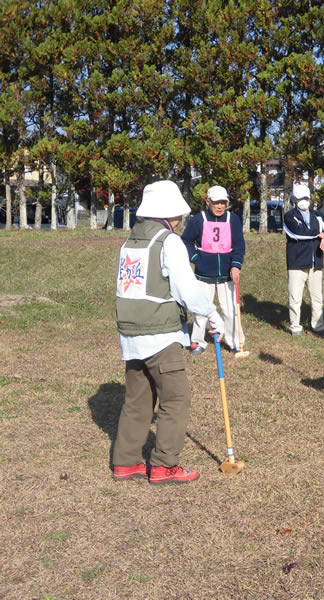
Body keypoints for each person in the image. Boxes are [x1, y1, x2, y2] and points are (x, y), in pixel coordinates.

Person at [113, 180, 224, 485]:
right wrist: (213, 314)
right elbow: (186, 290)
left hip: (131, 335)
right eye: (177, 215)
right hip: (161, 334)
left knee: (138, 399)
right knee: (176, 399)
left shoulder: (129, 243)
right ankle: (164, 465)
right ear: (165, 214)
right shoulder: (168, 242)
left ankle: (126, 462)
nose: (179, 221)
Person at [180, 185, 246, 355]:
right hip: (203, 274)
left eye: (223, 202)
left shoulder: (233, 219)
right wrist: (196, 259)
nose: (220, 206)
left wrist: (236, 265)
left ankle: (235, 342)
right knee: (201, 310)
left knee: (230, 310)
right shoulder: (198, 220)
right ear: (207, 202)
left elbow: (239, 244)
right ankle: (197, 341)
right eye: (216, 202)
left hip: (227, 274)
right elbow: (186, 241)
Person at [284, 183, 324, 337]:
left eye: (306, 198)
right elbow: (298, 233)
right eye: (300, 198)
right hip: (297, 263)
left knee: (317, 297)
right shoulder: (289, 216)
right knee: (295, 297)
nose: (303, 201)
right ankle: (295, 327)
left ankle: (318, 327)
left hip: (315, 262)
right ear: (294, 199)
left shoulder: (317, 215)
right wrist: (319, 233)